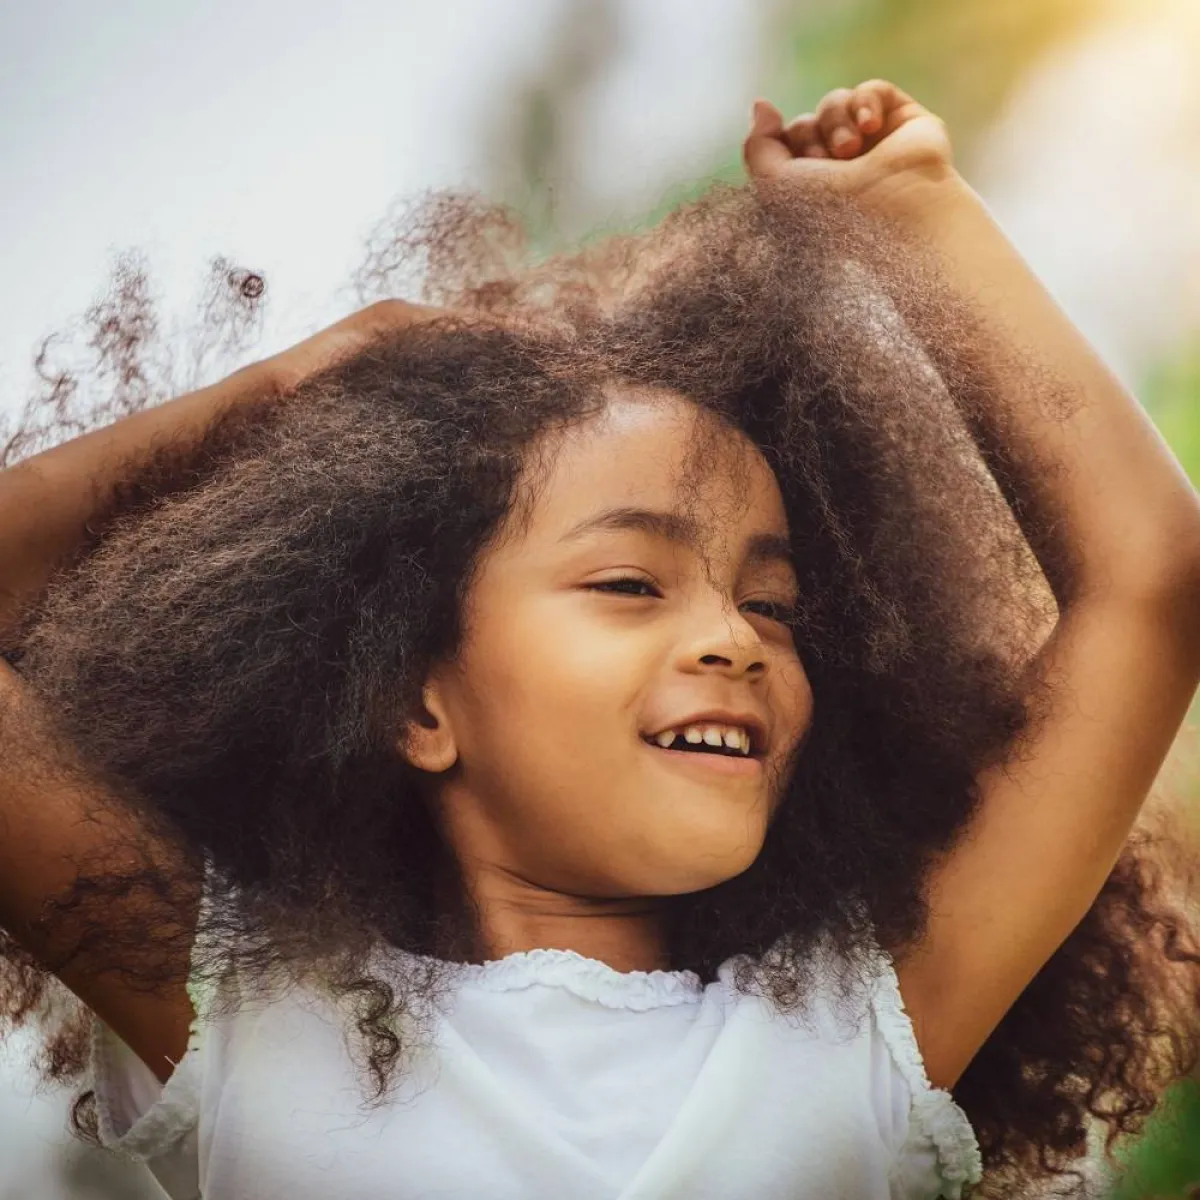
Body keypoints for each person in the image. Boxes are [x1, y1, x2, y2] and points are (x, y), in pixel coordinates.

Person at [1, 79, 1199, 1200]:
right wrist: (274, 399)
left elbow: (1151, 586)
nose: (733, 637)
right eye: (632, 581)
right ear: (410, 700)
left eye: (773, 605)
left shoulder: (856, 1032)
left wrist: (912, 224)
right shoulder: (245, 1010)